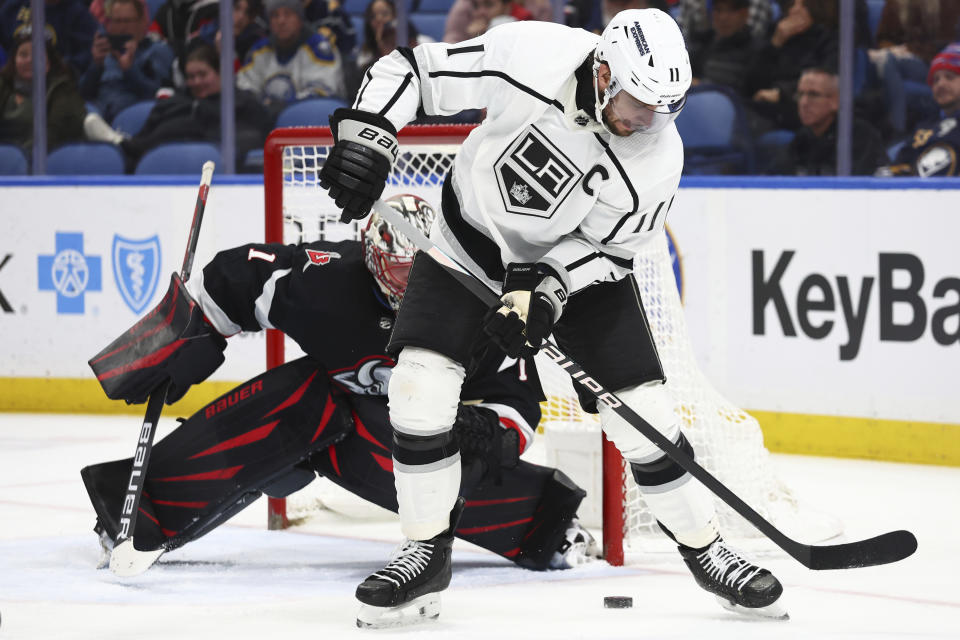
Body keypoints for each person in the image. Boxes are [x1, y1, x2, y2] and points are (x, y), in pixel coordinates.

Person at [317, 7, 788, 628]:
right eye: (637, 100)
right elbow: (412, 70)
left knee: (644, 419)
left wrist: (546, 288)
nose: (649, 120)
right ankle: (424, 553)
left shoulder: (658, 156)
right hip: (467, 244)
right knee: (418, 390)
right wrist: (371, 136)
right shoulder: (533, 54)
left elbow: (610, 251)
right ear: (601, 69)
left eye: (664, 107)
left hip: (576, 275)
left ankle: (708, 550)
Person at [81, 194, 597, 578]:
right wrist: (182, 334)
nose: (410, 293)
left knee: (452, 466)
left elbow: (520, 400)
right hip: (324, 423)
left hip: (423, 444)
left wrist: (487, 430)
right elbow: (237, 277)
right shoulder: (327, 283)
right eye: (399, 277)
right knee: (308, 396)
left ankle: (545, 529)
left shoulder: (473, 304)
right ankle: (139, 511)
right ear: (372, 260)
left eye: (423, 278)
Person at [119, 41, 271, 171]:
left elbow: (256, 137)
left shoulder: (241, 103)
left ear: (220, 73)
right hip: (163, 174)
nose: (196, 82)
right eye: (191, 77)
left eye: (203, 75)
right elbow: (142, 141)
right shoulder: (171, 104)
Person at [768, 66, 887, 175]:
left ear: (836, 101)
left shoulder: (860, 137)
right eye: (800, 94)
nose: (804, 103)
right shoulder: (803, 138)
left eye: (813, 95)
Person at [237, 0, 346, 107]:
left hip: (310, 122)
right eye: (275, 16)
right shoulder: (259, 51)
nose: (281, 21)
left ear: (300, 19)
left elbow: (321, 96)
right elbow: (244, 90)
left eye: (288, 14)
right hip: (265, 122)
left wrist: (280, 107)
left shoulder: (319, 48)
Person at [80, 0, 175, 122]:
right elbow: (83, 94)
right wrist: (96, 66)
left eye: (127, 21)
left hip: (136, 118)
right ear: (108, 24)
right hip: (99, 115)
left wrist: (130, 71)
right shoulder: (102, 52)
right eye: (117, 21)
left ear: (142, 23)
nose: (123, 27)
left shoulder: (157, 51)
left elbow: (158, 95)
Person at [880, 42, 960, 177]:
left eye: (950, 77)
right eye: (935, 80)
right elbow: (899, 168)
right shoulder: (923, 129)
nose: (941, 84)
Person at [0, 34, 87, 154]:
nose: (29, 60)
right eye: (23, 55)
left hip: (43, 162)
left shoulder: (62, 90)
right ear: (14, 61)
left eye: (37, 55)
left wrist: (23, 160)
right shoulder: (3, 86)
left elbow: (53, 135)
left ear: (48, 64)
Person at [687, 0, 766, 97]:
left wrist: (700, 86)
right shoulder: (701, 42)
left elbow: (745, 93)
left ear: (745, 14)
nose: (723, 17)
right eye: (718, 10)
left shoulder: (757, 51)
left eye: (731, 11)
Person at [0, 0, 101, 74]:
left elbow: (90, 53)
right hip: (13, 81)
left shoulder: (77, 13)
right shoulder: (13, 7)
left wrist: (62, 66)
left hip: (58, 85)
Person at [357, 0, 431, 75]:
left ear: (396, 17)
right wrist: (379, 47)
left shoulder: (423, 42)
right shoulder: (366, 53)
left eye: (385, 14)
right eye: (373, 16)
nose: (379, 19)